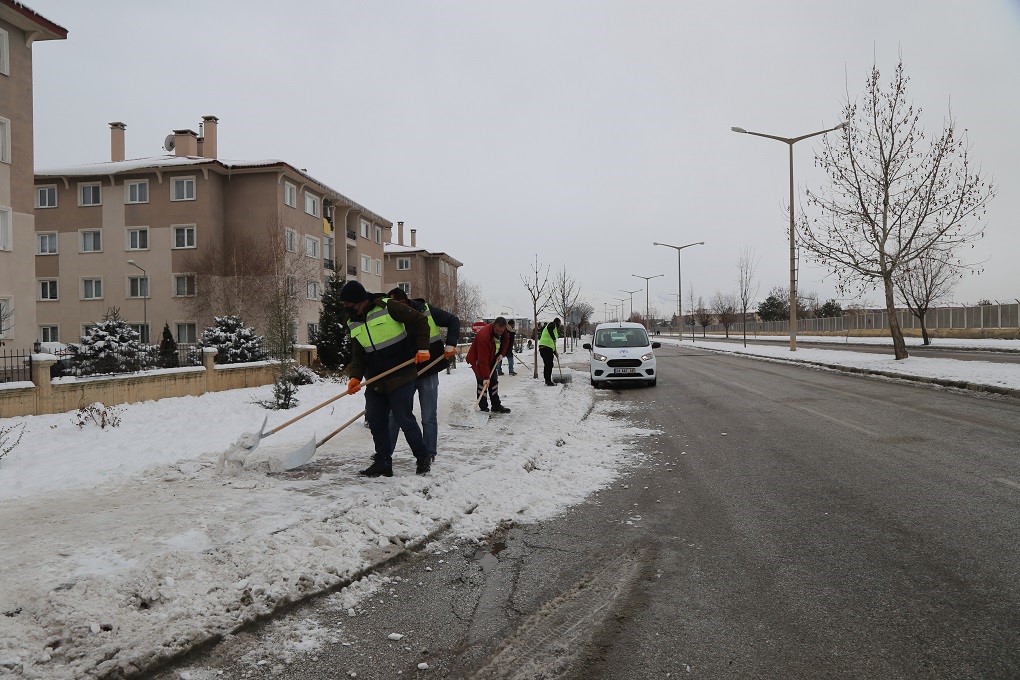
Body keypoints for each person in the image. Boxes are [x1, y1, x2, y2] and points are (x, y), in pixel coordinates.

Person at [340, 280, 434, 477]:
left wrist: (423, 347)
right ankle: (383, 462)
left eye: (350, 306)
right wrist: (355, 377)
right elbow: (358, 354)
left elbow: (420, 320)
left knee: (403, 418)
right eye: (345, 307)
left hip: (401, 374)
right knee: (375, 419)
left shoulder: (388, 306)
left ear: (361, 301)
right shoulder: (353, 322)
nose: (348, 310)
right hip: (376, 380)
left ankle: (422, 456)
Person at [385, 288, 460, 464]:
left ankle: (429, 453)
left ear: (405, 302)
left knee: (428, 416)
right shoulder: (390, 317)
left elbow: (453, 320)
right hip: (405, 374)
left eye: (398, 306)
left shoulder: (425, 309)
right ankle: (385, 452)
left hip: (429, 370)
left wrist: (450, 344)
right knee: (395, 414)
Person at [466, 317, 511, 413]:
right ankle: (483, 408)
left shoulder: (504, 332)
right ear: (493, 325)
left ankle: (496, 406)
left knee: (493, 382)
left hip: (491, 359)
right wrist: (486, 377)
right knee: (483, 383)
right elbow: (483, 360)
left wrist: (502, 354)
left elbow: (506, 340)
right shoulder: (484, 336)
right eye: (497, 330)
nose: (499, 333)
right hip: (478, 360)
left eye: (501, 331)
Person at [539, 317, 562, 386]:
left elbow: (553, 343)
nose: (559, 325)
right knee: (549, 364)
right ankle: (548, 381)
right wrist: (553, 337)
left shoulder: (554, 330)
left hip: (543, 347)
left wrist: (555, 352)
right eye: (559, 324)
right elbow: (550, 329)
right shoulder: (552, 324)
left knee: (547, 364)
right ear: (557, 322)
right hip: (546, 347)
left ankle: (547, 380)